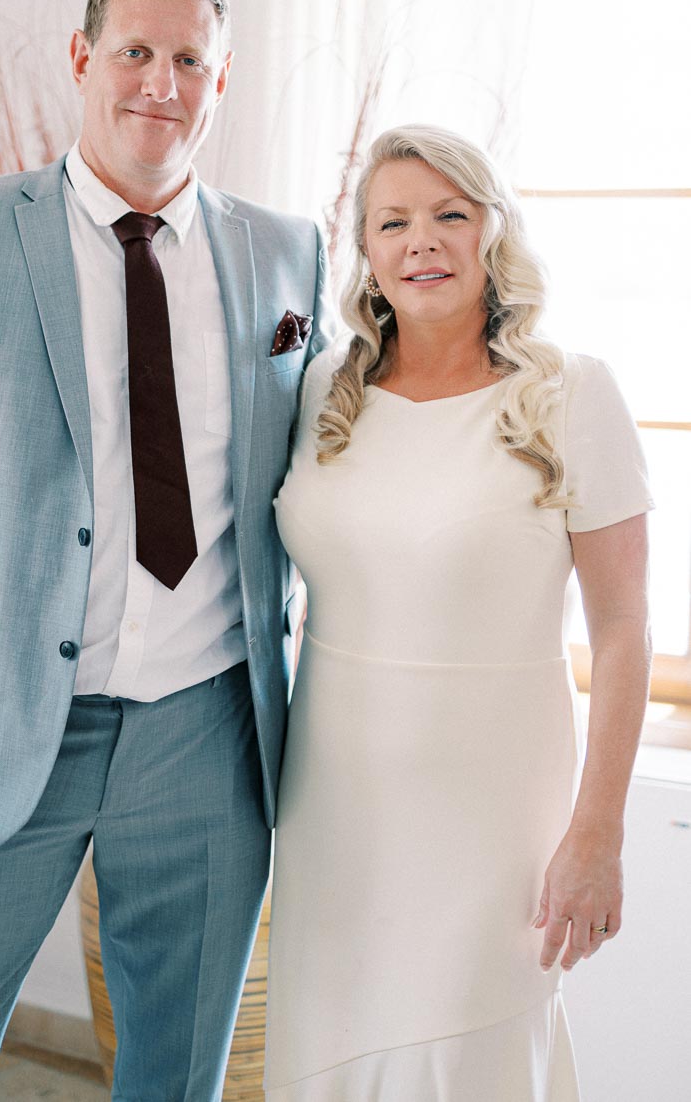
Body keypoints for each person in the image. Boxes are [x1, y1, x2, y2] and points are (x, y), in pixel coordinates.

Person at [0, 0, 333, 1101]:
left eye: (190, 58)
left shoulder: (287, 250)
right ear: (83, 58)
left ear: (223, 79)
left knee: (175, 1077)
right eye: (136, 51)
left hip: (209, 737)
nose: (162, 81)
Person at [264, 124, 652, 1100]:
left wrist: (596, 833)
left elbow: (622, 628)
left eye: (449, 214)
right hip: (332, 810)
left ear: (494, 232)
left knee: (464, 1065)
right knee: (328, 1059)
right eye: (392, 221)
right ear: (366, 249)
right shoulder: (322, 390)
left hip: (488, 822)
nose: (420, 241)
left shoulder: (569, 393)